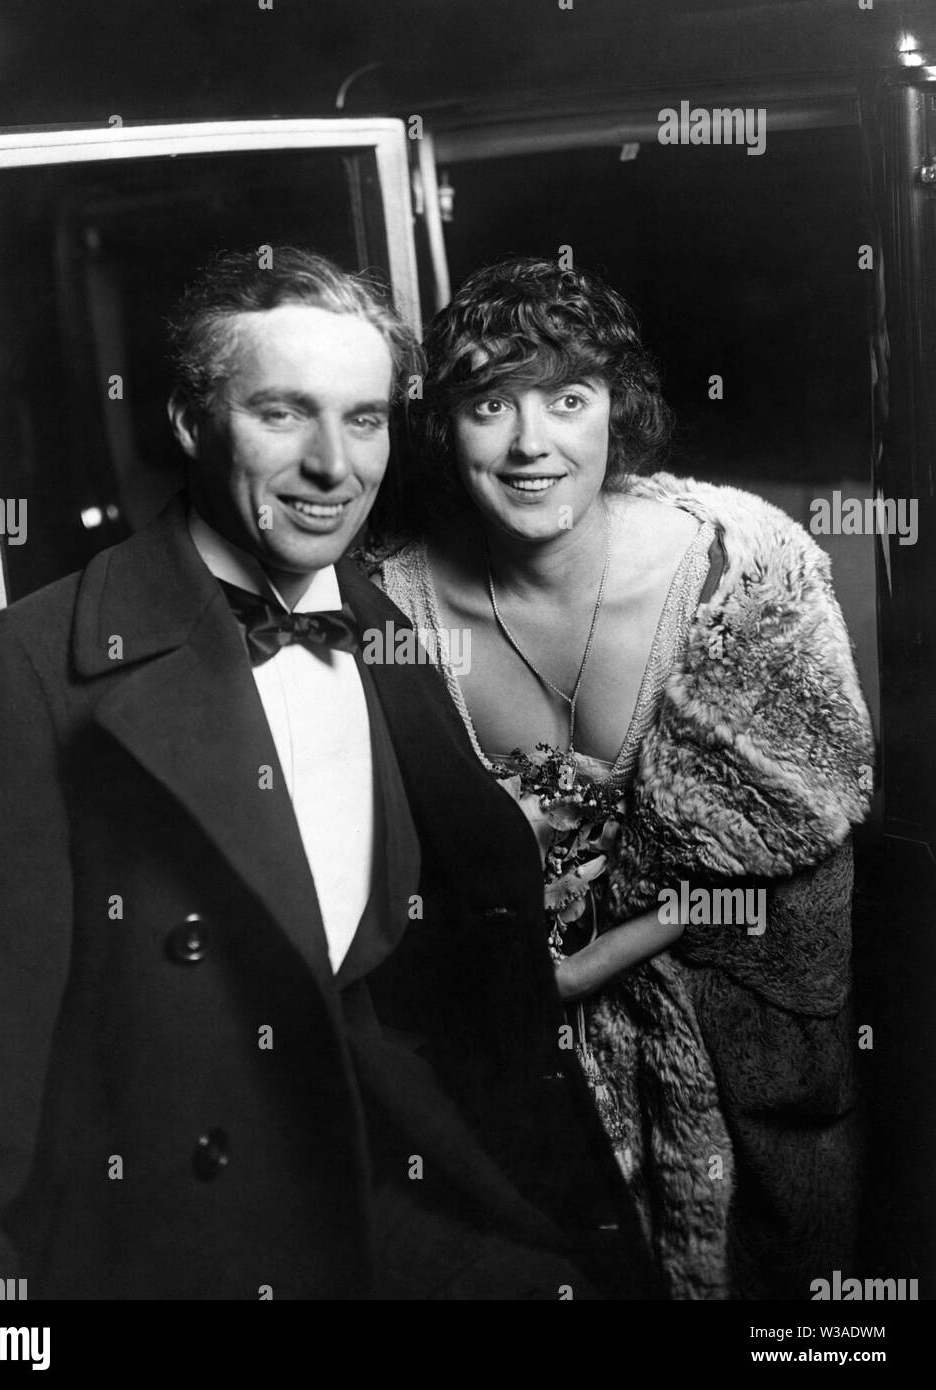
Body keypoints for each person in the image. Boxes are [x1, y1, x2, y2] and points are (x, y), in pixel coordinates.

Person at [0, 248, 656, 1300]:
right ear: (186, 423)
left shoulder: (382, 622)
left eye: (362, 418)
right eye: (281, 414)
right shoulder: (23, 674)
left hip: (391, 1205)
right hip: (173, 1250)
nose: (332, 465)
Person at [363, 256, 875, 1299]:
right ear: (441, 424)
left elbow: (796, 838)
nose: (529, 443)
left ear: (615, 408)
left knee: (792, 1287)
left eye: (566, 398)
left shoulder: (741, 562)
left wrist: (589, 964)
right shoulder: (388, 607)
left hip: (756, 1038)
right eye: (487, 404)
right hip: (524, 1074)